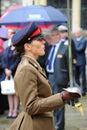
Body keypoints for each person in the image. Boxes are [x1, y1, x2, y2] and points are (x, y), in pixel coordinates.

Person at [8, 22, 80, 130]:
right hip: (35, 125)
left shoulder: (33, 65)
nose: (44, 42)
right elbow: (30, 106)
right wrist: (61, 97)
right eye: (39, 40)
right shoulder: (26, 69)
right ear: (27, 46)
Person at [46, 25, 77, 130]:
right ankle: (53, 123)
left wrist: (70, 80)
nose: (54, 37)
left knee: (59, 103)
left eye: (56, 35)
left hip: (60, 78)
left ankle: (59, 126)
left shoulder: (65, 46)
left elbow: (71, 64)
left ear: (59, 36)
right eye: (52, 35)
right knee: (51, 103)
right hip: (50, 77)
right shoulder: (51, 47)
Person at [1, 38, 20, 118]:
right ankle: (10, 110)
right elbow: (3, 60)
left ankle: (15, 110)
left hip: (15, 73)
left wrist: (11, 69)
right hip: (6, 74)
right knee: (9, 92)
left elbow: (17, 61)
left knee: (15, 93)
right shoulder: (7, 49)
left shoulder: (17, 49)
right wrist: (5, 69)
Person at [73, 27, 87, 96]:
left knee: (83, 76)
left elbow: (80, 49)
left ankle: (84, 90)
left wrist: (73, 47)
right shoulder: (74, 40)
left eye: (77, 33)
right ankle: (78, 90)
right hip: (75, 61)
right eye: (75, 33)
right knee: (76, 77)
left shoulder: (84, 40)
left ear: (80, 33)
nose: (76, 34)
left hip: (81, 61)